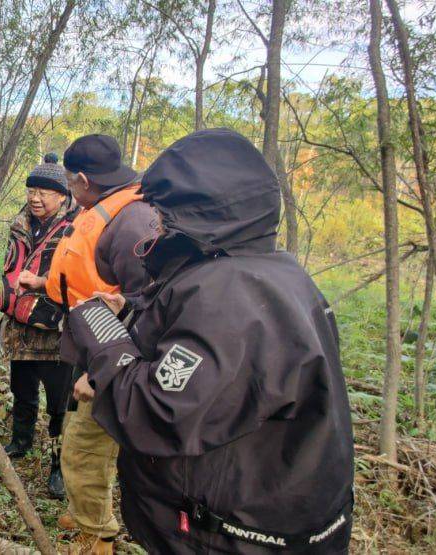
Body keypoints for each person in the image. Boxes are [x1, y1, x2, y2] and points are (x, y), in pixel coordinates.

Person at [64, 129, 355, 553]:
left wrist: (100, 334)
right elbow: (212, 362)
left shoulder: (226, 295)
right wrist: (129, 311)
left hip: (233, 534)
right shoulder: (275, 273)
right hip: (277, 520)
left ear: (195, 215)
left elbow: (155, 410)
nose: (155, 223)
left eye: (162, 213)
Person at [45, 134, 158, 554]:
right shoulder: (109, 209)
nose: (71, 193)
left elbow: (153, 311)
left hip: (115, 364)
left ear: (83, 180)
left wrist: (100, 375)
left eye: (70, 185)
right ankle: (85, 512)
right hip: (94, 348)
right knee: (83, 442)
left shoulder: (133, 221)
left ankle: (97, 535)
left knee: (84, 449)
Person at [0, 153, 79, 499]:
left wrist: (41, 282)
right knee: (22, 391)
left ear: (62, 196)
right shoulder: (21, 223)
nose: (35, 197)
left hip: (57, 334)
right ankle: (20, 441)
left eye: (45, 191)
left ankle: (59, 466)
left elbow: (78, 279)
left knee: (60, 406)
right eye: (32, 189)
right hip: (20, 329)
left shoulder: (76, 227)